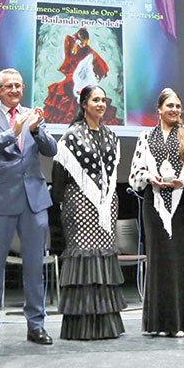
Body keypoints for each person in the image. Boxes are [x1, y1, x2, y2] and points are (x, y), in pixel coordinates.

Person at [0, 68, 57, 349]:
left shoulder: (33, 114)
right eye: (8, 86)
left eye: (19, 86)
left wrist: (34, 129)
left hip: (34, 199)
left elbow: (51, 149)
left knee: (35, 267)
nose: (15, 91)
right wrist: (12, 132)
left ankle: (37, 325)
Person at [128, 88, 184, 337]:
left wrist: (182, 181)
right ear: (159, 110)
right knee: (160, 259)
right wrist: (150, 177)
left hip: (183, 203)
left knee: (183, 258)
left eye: (177, 106)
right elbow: (135, 174)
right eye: (169, 105)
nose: (174, 109)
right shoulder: (145, 137)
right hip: (154, 205)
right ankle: (160, 323)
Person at [52, 86, 127, 340]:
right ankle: (82, 326)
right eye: (96, 100)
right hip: (79, 205)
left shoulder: (111, 135)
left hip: (106, 206)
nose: (101, 104)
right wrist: (62, 204)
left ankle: (105, 325)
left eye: (104, 100)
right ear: (84, 104)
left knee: (103, 257)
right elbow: (59, 175)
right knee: (84, 258)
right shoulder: (71, 136)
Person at [42, 27, 108, 123]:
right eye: (81, 42)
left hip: (81, 79)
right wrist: (76, 40)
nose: (82, 45)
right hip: (71, 76)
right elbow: (68, 40)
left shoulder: (89, 51)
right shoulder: (71, 44)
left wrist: (97, 76)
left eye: (84, 42)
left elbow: (100, 64)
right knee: (62, 89)